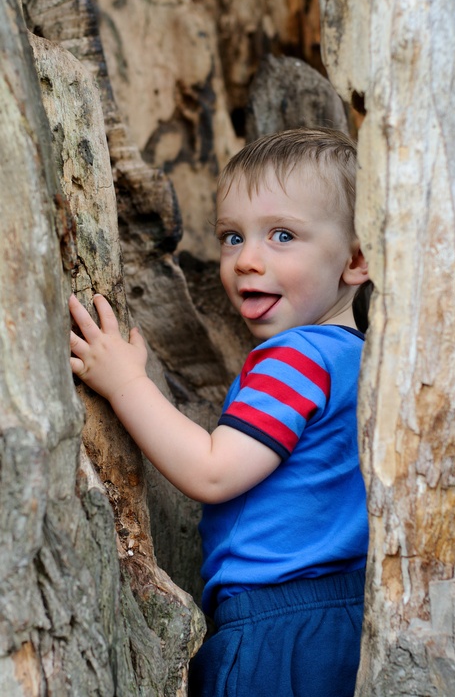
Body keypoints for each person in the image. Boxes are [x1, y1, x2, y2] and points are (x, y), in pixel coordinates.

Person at [69, 127, 370, 697]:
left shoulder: (297, 358)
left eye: (282, 235)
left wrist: (126, 382)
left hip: (279, 630)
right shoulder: (359, 359)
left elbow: (212, 471)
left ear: (356, 258)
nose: (247, 261)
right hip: (341, 619)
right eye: (233, 237)